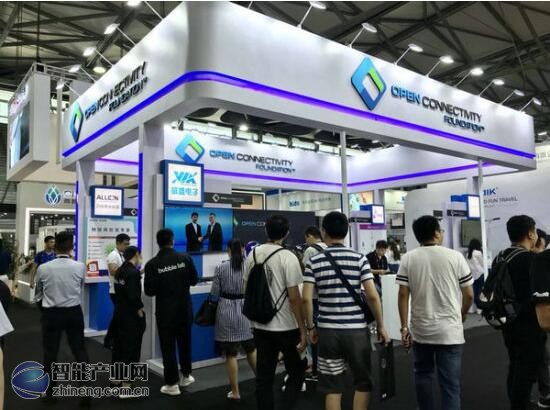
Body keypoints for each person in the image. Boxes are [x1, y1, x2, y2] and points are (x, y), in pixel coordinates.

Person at [303, 212, 390, 410]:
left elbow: (306, 298)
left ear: (324, 232)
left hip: (327, 331)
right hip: (356, 331)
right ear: (347, 231)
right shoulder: (359, 258)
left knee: (332, 386)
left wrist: (310, 327)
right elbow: (372, 296)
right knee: (363, 381)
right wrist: (381, 325)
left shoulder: (314, 261)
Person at [397, 215, 474, 410]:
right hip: (450, 330)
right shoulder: (455, 257)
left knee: (423, 374)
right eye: (441, 230)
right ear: (436, 233)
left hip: (421, 329)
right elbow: (469, 295)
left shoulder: (408, 258)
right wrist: (463, 313)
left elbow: (403, 294)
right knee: (450, 385)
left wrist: (404, 327)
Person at [243, 214, 307, 410]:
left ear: (266, 230)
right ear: (286, 233)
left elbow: (247, 290)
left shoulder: (252, 255)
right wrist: (303, 329)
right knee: (296, 372)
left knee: (264, 378)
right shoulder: (288, 257)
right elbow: (294, 298)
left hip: (260, 326)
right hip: (287, 326)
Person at [493, 215, 544, 410]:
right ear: (531, 234)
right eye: (535, 231)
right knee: (526, 369)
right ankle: (520, 405)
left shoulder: (501, 256)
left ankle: (517, 402)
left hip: (508, 319)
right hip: (529, 322)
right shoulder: (530, 259)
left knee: (515, 364)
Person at [34, 231, 89, 405]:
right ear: (71, 247)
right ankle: (86, 393)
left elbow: (38, 294)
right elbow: (80, 287)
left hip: (51, 313)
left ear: (55, 246)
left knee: (50, 353)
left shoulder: (43, 268)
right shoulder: (80, 266)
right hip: (74, 312)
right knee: (80, 351)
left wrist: (44, 310)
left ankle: (49, 393)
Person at [144, 228, 198, 396]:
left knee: (168, 347)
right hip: (184, 309)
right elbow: (194, 280)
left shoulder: (152, 264)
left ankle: (172, 384)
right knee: (185, 343)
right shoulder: (185, 258)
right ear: (172, 240)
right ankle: (186, 375)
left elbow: (149, 291)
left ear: (157, 242)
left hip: (165, 312)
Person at [210, 239, 256, 400]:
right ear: (243, 249)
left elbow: (214, 293)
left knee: (231, 354)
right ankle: (263, 383)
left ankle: (235, 392)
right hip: (246, 311)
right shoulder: (250, 266)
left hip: (226, 311)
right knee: (251, 349)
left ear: (228, 250)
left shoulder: (221, 267)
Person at [113, 246, 146, 399]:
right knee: (131, 350)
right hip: (131, 317)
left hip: (120, 314)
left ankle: (116, 380)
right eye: (140, 255)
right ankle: (126, 386)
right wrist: (140, 311)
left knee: (119, 348)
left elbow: (124, 289)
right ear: (136, 255)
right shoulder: (132, 273)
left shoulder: (120, 271)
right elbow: (133, 296)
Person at [302, 226, 327, 381]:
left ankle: (316, 370)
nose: (306, 241)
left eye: (306, 238)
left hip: (315, 298)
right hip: (327, 298)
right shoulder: (329, 248)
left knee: (315, 335)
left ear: (311, 236)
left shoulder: (310, 251)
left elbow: (305, 275)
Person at [104, 233, 130, 349]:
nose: (127, 246)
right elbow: (113, 271)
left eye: (128, 244)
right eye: (125, 244)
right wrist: (129, 269)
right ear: (118, 243)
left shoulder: (121, 255)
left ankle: (111, 340)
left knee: (118, 317)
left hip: (121, 290)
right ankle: (109, 340)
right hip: (115, 291)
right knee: (118, 317)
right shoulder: (113, 255)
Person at [466, 238, 485, 314]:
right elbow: (483, 263)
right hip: (480, 274)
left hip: (473, 276)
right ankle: (480, 309)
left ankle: (475, 308)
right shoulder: (478, 253)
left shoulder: (468, 254)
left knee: (475, 292)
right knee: (480, 292)